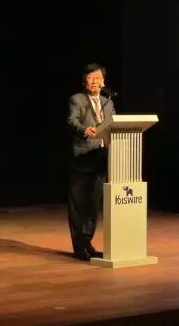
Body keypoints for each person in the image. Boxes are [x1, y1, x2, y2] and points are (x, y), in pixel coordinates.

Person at [66, 63, 116, 260]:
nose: (94, 81)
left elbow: (114, 123)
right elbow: (72, 120)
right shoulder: (77, 99)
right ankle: (79, 247)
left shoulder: (108, 102)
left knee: (93, 205)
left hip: (101, 157)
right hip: (82, 157)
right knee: (78, 204)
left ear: (103, 81)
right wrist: (83, 130)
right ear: (84, 81)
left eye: (98, 78)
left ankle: (87, 242)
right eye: (90, 77)